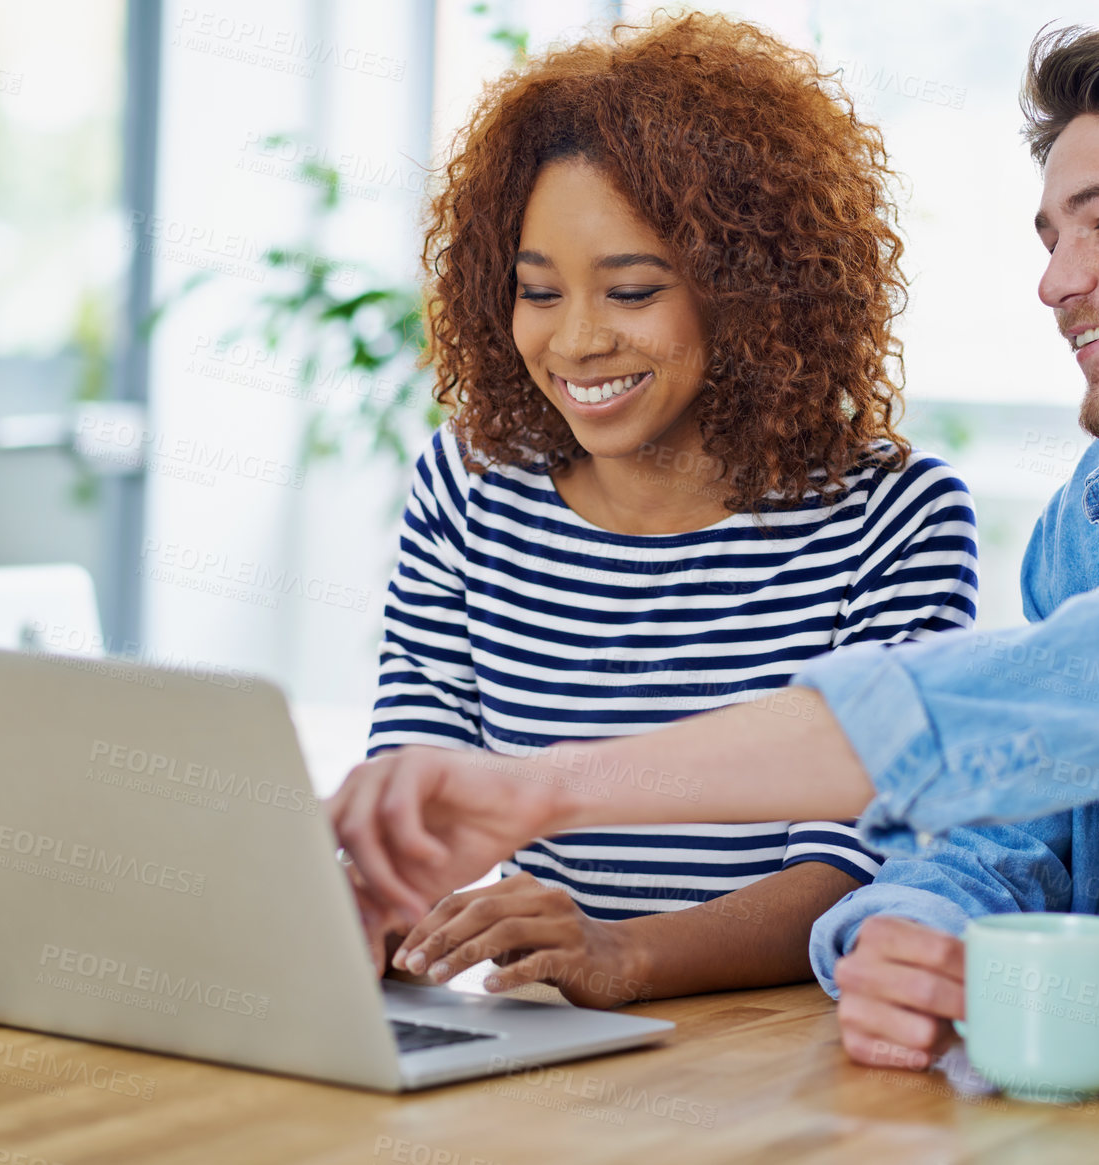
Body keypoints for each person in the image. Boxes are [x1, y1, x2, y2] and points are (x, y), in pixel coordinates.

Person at [334, 9, 1099, 1159]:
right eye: (1049, 235)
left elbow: (1080, 690)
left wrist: (548, 788)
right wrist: (909, 925)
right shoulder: (1094, 527)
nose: (1052, 281)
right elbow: (1005, 832)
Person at [349, 13, 977, 1009]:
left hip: (774, 1054)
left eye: (631, 290)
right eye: (537, 292)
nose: (577, 340)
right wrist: (370, 900)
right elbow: (415, 768)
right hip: (543, 1033)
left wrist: (623, 953)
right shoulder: (468, 486)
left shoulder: (892, 515)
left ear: (747, 293)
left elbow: (852, 868)